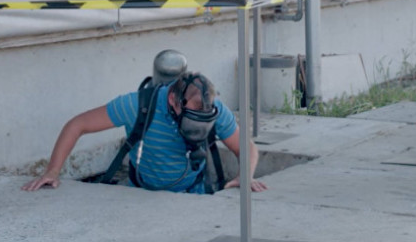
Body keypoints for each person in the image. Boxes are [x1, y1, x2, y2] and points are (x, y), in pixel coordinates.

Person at [22, 50, 267, 193]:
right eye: (192, 116)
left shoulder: (214, 108)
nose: (197, 125)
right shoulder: (139, 105)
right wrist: (52, 171)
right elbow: (77, 125)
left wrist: (246, 174)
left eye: (203, 118)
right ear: (173, 99)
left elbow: (246, 147)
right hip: (142, 194)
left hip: (193, 195)